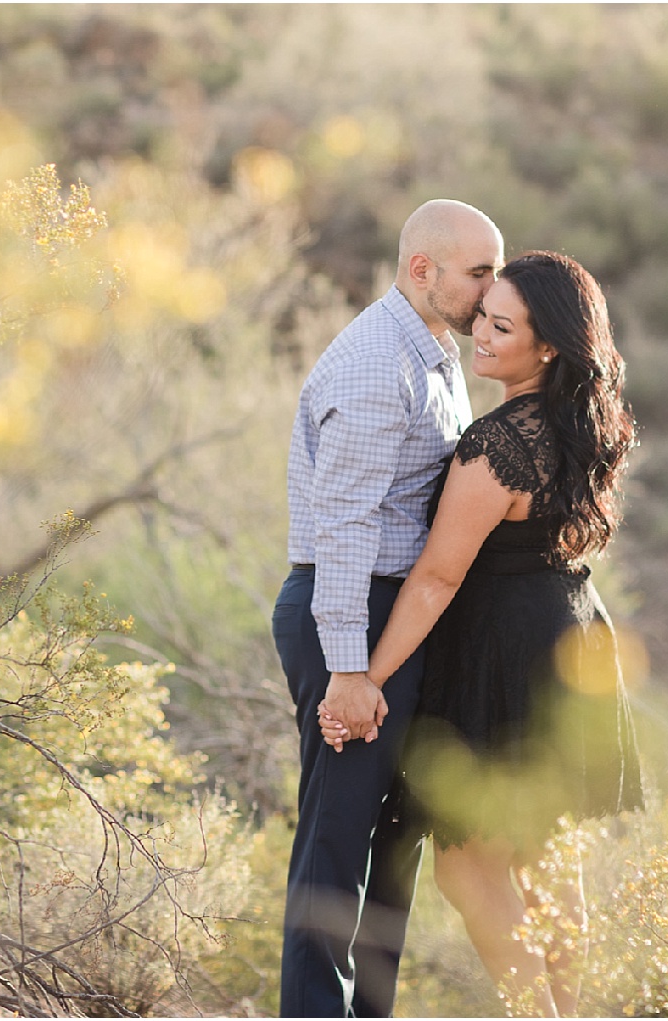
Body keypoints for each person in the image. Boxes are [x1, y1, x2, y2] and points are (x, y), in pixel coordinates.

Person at [318, 251, 644, 1017]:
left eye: (502, 327)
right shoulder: (584, 425)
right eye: (483, 317)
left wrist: (363, 677)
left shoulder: (496, 443)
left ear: (550, 346)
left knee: (468, 870)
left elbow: (436, 577)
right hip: (571, 639)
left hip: (508, 654)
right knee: (546, 865)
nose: (480, 337)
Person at [273, 199, 504, 1017]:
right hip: (353, 613)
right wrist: (347, 669)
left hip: (387, 616)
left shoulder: (432, 352)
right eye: (480, 272)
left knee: (392, 843)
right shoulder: (380, 365)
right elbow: (345, 525)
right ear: (422, 270)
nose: (491, 288)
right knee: (337, 843)